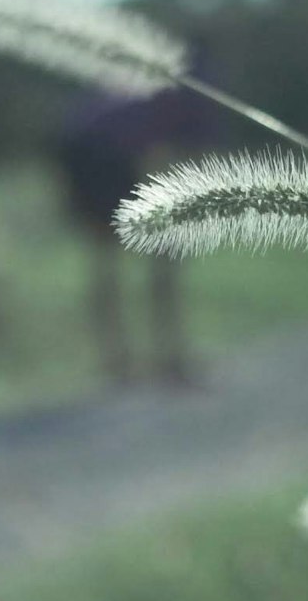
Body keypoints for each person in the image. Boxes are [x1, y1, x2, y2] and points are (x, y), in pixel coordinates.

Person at [55, 85, 222, 387]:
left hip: (83, 150)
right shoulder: (190, 98)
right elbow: (170, 161)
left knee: (108, 259)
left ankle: (125, 361)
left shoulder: (164, 88)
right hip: (100, 157)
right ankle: (165, 359)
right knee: (157, 258)